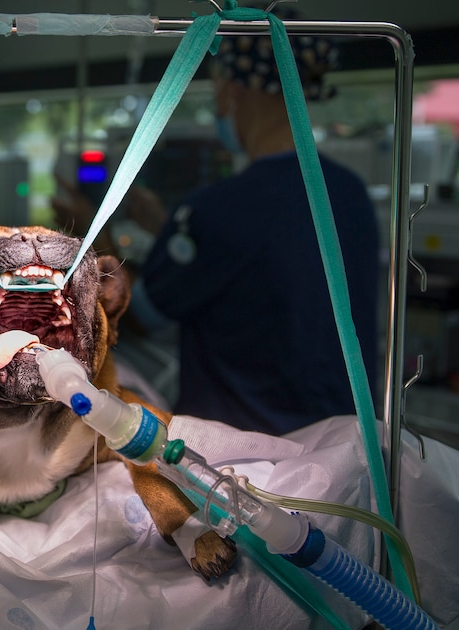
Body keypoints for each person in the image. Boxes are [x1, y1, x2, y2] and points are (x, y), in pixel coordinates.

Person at [53, 21, 380, 436]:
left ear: (233, 90)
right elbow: (266, 262)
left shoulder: (218, 208)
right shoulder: (350, 193)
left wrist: (94, 234)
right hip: (342, 442)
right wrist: (166, 225)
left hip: (247, 452)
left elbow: (138, 314)